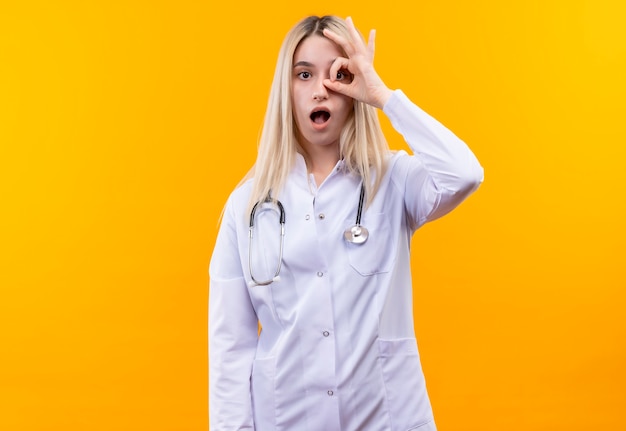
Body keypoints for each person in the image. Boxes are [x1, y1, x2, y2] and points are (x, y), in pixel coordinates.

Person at [209, 15, 483, 431]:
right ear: (286, 90)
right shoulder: (245, 206)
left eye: (338, 74)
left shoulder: (393, 181)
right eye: (304, 74)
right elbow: (230, 349)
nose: (321, 89)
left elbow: (464, 174)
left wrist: (383, 95)